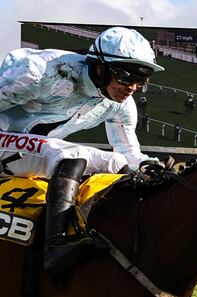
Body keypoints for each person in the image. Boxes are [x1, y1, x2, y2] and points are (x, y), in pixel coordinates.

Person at [0, 26, 165, 272]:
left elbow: (128, 152)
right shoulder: (40, 72)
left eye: (140, 80)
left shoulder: (123, 105)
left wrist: (146, 164)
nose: (131, 87)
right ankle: (54, 247)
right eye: (125, 76)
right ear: (100, 67)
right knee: (71, 154)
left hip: (27, 153)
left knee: (119, 163)